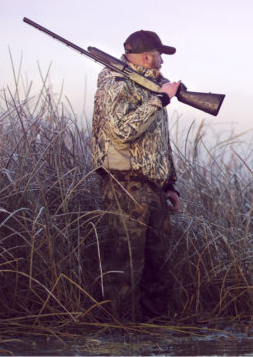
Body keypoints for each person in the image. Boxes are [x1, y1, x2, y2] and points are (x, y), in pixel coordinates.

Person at [91, 29, 182, 322]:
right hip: (124, 185)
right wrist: (159, 101)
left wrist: (169, 185)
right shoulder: (115, 83)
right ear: (146, 56)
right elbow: (122, 131)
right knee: (124, 266)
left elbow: (157, 139)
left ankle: (155, 333)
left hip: (152, 187)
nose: (162, 62)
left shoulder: (150, 87)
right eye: (159, 56)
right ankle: (121, 335)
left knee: (158, 266)